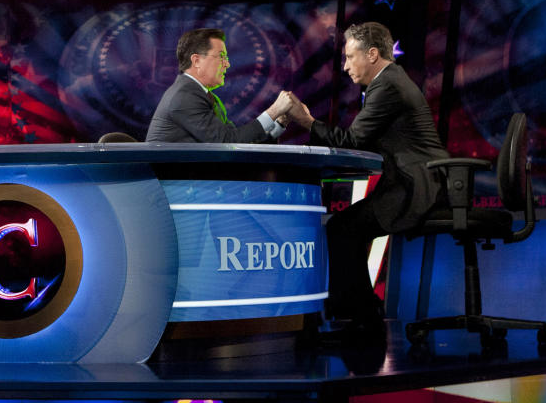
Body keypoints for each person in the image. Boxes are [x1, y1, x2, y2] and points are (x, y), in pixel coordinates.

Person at [286, 22, 448, 343]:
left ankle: (362, 321)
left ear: (372, 54)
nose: (345, 66)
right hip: (413, 183)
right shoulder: (389, 82)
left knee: (342, 229)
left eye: (349, 57)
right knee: (346, 228)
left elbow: (354, 140)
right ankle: (362, 315)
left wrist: (307, 121)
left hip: (416, 188)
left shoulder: (387, 86)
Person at [146, 28, 292, 143]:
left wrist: (278, 124)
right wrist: (274, 110)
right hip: (172, 180)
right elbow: (227, 143)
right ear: (196, 61)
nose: (227, 64)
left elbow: (238, 142)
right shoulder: (184, 96)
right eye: (221, 57)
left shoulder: (206, 96)